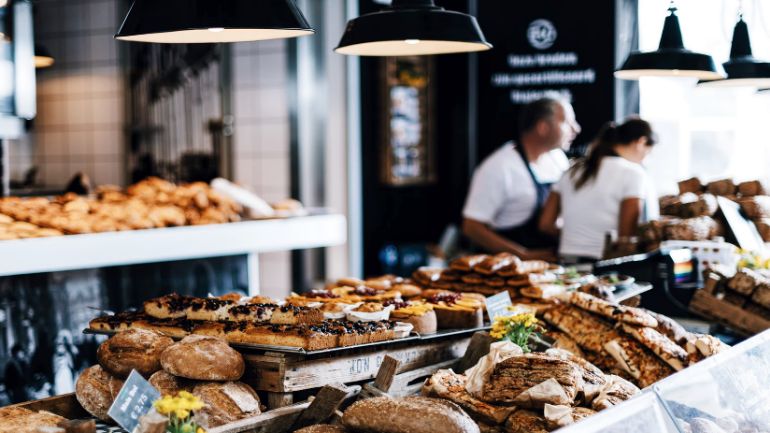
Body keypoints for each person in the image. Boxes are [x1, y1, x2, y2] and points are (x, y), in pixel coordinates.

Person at [462, 97, 581, 260]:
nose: (576, 129)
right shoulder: (499, 167)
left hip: (552, 264)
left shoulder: (558, 159)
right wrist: (523, 255)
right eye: (568, 122)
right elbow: (472, 227)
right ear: (543, 127)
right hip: (509, 268)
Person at [539, 117, 659, 262]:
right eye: (649, 152)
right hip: (605, 265)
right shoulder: (633, 173)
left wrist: (577, 236)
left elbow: (545, 224)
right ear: (641, 142)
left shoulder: (572, 170)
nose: (647, 158)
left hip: (567, 261)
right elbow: (626, 237)